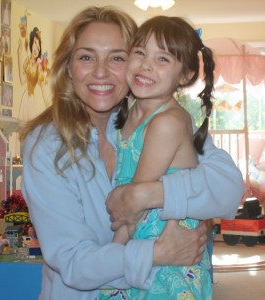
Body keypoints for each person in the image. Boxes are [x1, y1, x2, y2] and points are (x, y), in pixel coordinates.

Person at [20, 6, 244, 300]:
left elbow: (228, 188)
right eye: (86, 57)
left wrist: (149, 195)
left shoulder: (153, 120)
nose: (101, 71)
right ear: (68, 68)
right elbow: (73, 263)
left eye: (117, 58)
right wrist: (157, 253)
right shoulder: (46, 146)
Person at [99, 15, 215, 300]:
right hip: (144, 247)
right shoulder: (129, 113)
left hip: (168, 259)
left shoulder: (168, 122)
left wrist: (109, 263)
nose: (146, 64)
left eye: (162, 59)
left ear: (185, 76)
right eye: (139, 52)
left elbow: (133, 204)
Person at [18, 27, 49, 122]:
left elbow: (43, 89)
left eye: (38, 48)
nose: (36, 49)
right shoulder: (27, 62)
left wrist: (50, 107)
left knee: (32, 127)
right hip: (25, 100)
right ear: (31, 44)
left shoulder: (39, 66)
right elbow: (23, 81)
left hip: (31, 99)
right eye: (35, 44)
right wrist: (19, 55)